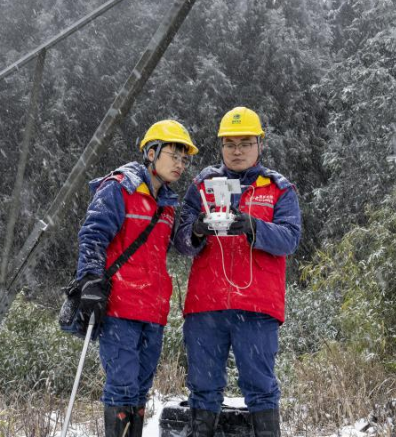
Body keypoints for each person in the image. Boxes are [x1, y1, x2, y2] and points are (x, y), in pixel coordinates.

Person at [173, 107, 302, 437]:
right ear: (221, 146)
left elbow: (290, 239)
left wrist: (256, 227)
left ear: (261, 144)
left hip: (257, 307)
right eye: (230, 143)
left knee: (260, 388)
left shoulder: (278, 188)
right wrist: (196, 231)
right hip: (206, 306)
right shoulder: (201, 184)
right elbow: (181, 240)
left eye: (245, 142)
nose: (237, 150)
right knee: (203, 387)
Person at [73, 119, 198, 437]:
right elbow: (93, 235)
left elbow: (177, 246)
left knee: (141, 388)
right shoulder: (119, 187)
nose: (180, 164)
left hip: (153, 311)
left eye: (185, 159)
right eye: (174, 155)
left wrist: (200, 229)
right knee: (123, 385)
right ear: (151, 152)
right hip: (119, 307)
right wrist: (89, 280)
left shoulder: (168, 204)